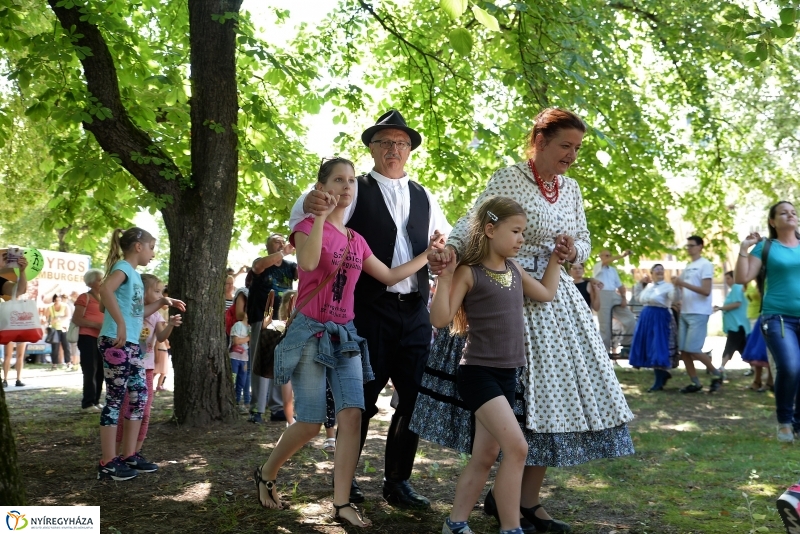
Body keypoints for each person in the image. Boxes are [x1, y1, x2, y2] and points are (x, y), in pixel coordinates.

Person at [423, 108, 634, 533]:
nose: (572, 155)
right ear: (539, 141)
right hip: (507, 295)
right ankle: (503, 508)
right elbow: (474, 221)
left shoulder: (570, 188)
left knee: (554, 405)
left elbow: (585, 239)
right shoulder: (510, 178)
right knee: (524, 406)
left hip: (554, 301)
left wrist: (572, 251)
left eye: (577, 148)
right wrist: (449, 253)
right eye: (564, 145)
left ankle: (526, 504)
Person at [254, 157, 438, 526]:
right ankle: (267, 471)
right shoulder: (307, 225)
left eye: (351, 181)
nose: (347, 187)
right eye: (338, 180)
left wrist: (426, 257)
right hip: (310, 332)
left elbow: (388, 274)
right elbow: (306, 264)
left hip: (347, 335)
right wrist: (321, 217)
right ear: (322, 187)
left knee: (352, 415)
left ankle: (341, 503)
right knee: (308, 422)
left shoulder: (357, 239)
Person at [290, 110, 451, 507]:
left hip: (414, 310)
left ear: (410, 150)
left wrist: (444, 256)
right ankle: (347, 481)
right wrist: (312, 201)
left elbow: (444, 244)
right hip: (366, 311)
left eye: (401, 143)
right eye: (384, 142)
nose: (393, 149)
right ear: (372, 148)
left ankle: (397, 481)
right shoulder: (355, 187)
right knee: (358, 399)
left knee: (414, 398)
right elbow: (306, 215)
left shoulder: (425, 195)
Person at [430, 197, 569, 534]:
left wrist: (555, 258)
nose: (521, 239)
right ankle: (511, 528)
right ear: (491, 230)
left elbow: (547, 293)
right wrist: (446, 279)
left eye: (523, 232)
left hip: (509, 375)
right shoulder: (469, 272)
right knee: (517, 447)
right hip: (478, 373)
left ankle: (455, 523)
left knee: (485, 455)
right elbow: (440, 319)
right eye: (516, 231)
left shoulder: (515, 270)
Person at [96, 227, 185, 481]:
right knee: (115, 400)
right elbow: (105, 291)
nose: (153, 253)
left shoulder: (133, 275)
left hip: (131, 344)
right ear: (138, 246)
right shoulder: (123, 268)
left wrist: (163, 303)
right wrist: (121, 324)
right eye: (152, 247)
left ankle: (128, 455)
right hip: (117, 341)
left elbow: (138, 311)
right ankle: (108, 462)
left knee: (139, 397)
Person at [735, 200, 800, 442]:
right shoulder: (766, 246)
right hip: (777, 318)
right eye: (783, 213)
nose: (790, 215)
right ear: (773, 221)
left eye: (793, 212)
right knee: (790, 367)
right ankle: (785, 421)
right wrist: (744, 249)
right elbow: (742, 277)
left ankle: (798, 423)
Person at [115, 274, 182, 465]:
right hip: (129, 368)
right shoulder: (133, 311)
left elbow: (161, 337)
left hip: (147, 370)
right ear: (142, 292)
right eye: (157, 291)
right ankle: (118, 452)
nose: (161, 295)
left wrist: (170, 325)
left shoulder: (157, 315)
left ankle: (135, 452)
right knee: (125, 410)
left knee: (144, 412)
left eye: (161, 291)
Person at [247, 234, 297, 424]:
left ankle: (277, 408)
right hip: (262, 317)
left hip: (283, 320)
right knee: (260, 360)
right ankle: (257, 409)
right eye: (276, 240)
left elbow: (306, 274)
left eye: (283, 240)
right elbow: (258, 267)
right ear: (267, 245)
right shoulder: (261, 262)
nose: (281, 242)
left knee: (280, 362)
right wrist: (282, 252)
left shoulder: (290, 266)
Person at [673, 235, 723, 393]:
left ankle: (717, 373)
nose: (689, 248)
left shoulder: (705, 264)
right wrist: (680, 297)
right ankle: (695, 383)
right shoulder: (688, 266)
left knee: (693, 349)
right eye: (687, 246)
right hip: (686, 311)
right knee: (684, 351)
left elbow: (706, 291)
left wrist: (683, 283)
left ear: (700, 246)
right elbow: (684, 288)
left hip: (699, 312)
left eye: (692, 245)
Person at [628, 264, 677, 391]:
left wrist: (676, 287)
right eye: (657, 269)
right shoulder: (649, 286)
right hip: (646, 317)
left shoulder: (668, 286)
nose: (660, 271)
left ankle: (658, 380)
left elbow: (674, 298)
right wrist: (640, 284)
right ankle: (662, 376)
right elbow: (639, 298)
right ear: (651, 273)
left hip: (660, 317)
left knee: (657, 346)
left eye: (662, 269)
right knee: (649, 346)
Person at [72, 268, 106, 412]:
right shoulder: (84, 297)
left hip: (102, 338)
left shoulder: (105, 298)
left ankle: (96, 401)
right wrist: (96, 324)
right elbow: (77, 319)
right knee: (90, 369)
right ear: (91, 283)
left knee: (101, 371)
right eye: (99, 280)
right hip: (87, 337)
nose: (102, 282)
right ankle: (87, 403)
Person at [593, 249, 636, 355]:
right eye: (606, 255)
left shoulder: (613, 270)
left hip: (613, 294)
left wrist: (623, 298)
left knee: (630, 319)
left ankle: (626, 345)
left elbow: (620, 285)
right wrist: (621, 256)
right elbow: (605, 262)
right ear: (601, 257)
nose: (608, 257)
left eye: (609, 255)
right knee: (605, 325)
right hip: (602, 294)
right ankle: (605, 352)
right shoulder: (597, 266)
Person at [0, 252, 29, 388]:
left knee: (19, 354)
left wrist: (22, 272)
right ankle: (5, 378)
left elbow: (19, 290)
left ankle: (17, 378)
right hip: (9, 325)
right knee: (8, 354)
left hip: (15, 324)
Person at [716, 271, 751, 373]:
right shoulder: (735, 289)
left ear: (734, 278)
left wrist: (721, 308)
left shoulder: (737, 286)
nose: (726, 281)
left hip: (737, 324)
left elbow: (737, 304)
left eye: (728, 278)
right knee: (742, 347)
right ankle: (754, 367)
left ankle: (722, 366)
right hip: (736, 324)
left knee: (730, 344)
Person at [230, 312, 252, 414]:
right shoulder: (238, 325)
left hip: (244, 358)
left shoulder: (251, 328)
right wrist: (249, 338)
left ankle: (237, 402)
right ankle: (232, 402)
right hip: (234, 357)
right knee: (233, 380)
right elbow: (236, 341)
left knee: (241, 382)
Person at [47, 294, 72, 370]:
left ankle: (68, 363)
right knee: (55, 348)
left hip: (64, 328)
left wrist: (58, 318)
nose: (58, 301)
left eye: (59, 300)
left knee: (66, 346)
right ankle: (54, 364)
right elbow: (47, 318)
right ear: (54, 300)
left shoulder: (65, 306)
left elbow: (68, 316)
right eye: (56, 300)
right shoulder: (50, 308)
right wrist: (49, 322)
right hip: (55, 329)